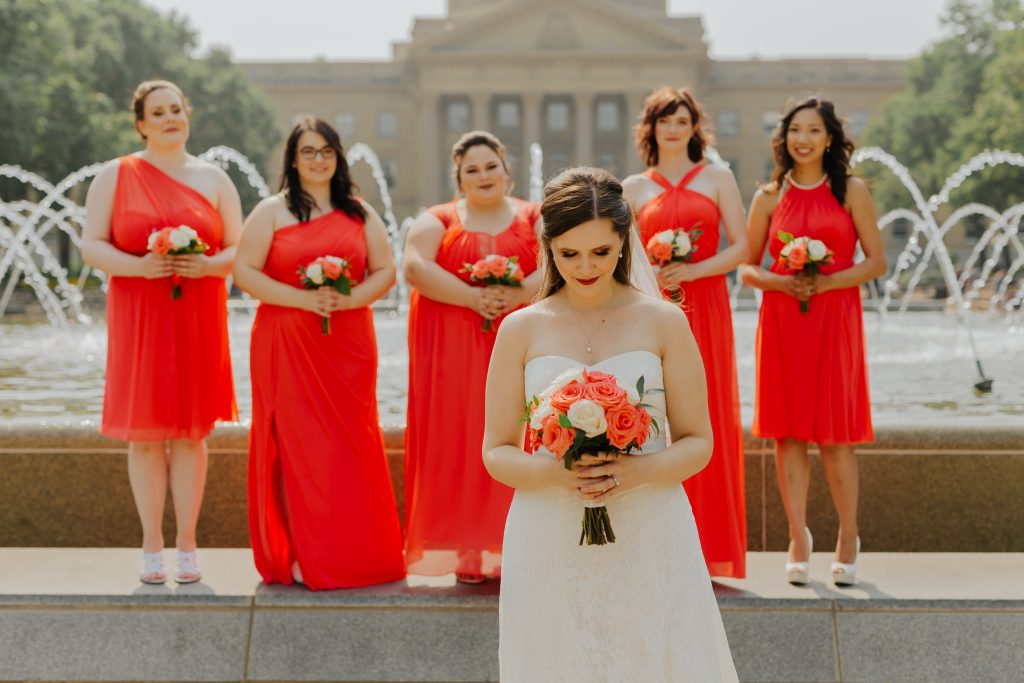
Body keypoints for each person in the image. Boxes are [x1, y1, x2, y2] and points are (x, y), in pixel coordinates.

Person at [482, 167, 737, 680]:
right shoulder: (519, 329)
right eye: (569, 253)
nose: (586, 267)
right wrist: (558, 473)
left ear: (625, 241)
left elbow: (699, 441)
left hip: (649, 524)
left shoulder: (665, 320)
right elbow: (497, 451)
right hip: (548, 528)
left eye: (601, 251)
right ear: (548, 246)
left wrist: (634, 471)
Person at [233, 117, 404, 590]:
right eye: (308, 151)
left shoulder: (359, 213)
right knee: (297, 444)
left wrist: (349, 299)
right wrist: (302, 298)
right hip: (286, 339)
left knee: (350, 444)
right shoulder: (270, 211)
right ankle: (300, 553)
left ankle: (356, 554)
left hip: (347, 342)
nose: (318, 159)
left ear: (338, 157)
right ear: (292, 158)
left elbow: (385, 270)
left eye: (326, 150)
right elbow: (244, 272)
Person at [82, 80, 239, 584]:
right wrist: (139, 266)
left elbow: (241, 249)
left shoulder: (214, 178)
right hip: (140, 314)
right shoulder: (116, 174)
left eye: (177, 109)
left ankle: (187, 543)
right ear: (141, 124)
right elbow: (91, 245)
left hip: (197, 314)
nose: (171, 117)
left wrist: (209, 264)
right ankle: (151, 544)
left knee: (192, 435)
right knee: (146, 436)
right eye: (159, 111)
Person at [739, 97, 886, 586]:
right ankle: (797, 535)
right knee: (789, 434)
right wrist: (781, 282)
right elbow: (747, 267)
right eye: (795, 130)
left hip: (834, 318)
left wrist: (827, 281)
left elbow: (875, 262)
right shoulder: (767, 196)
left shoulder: (852, 192)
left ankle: (848, 535)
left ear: (830, 139)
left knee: (835, 435)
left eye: (814, 131)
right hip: (783, 321)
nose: (803, 139)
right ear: (784, 138)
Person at [402, 131, 542, 582]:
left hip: (522, 348)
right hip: (455, 353)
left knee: (522, 434)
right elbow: (414, 266)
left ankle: (522, 544)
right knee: (463, 437)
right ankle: (469, 547)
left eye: (490, 166)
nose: (483, 176)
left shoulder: (534, 215)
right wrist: (471, 297)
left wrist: (518, 290)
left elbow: (559, 260)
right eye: (471, 170)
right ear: (458, 178)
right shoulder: (438, 218)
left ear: (507, 170)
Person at [623, 85, 749, 578]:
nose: (673, 129)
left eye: (682, 120)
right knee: (656, 413)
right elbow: (624, 256)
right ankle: (657, 549)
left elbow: (740, 247)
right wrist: (655, 278)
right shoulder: (634, 188)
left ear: (695, 127)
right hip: (654, 309)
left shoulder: (718, 177)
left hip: (706, 306)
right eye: (664, 120)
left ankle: (711, 546)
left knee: (707, 412)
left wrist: (693, 272)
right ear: (650, 128)